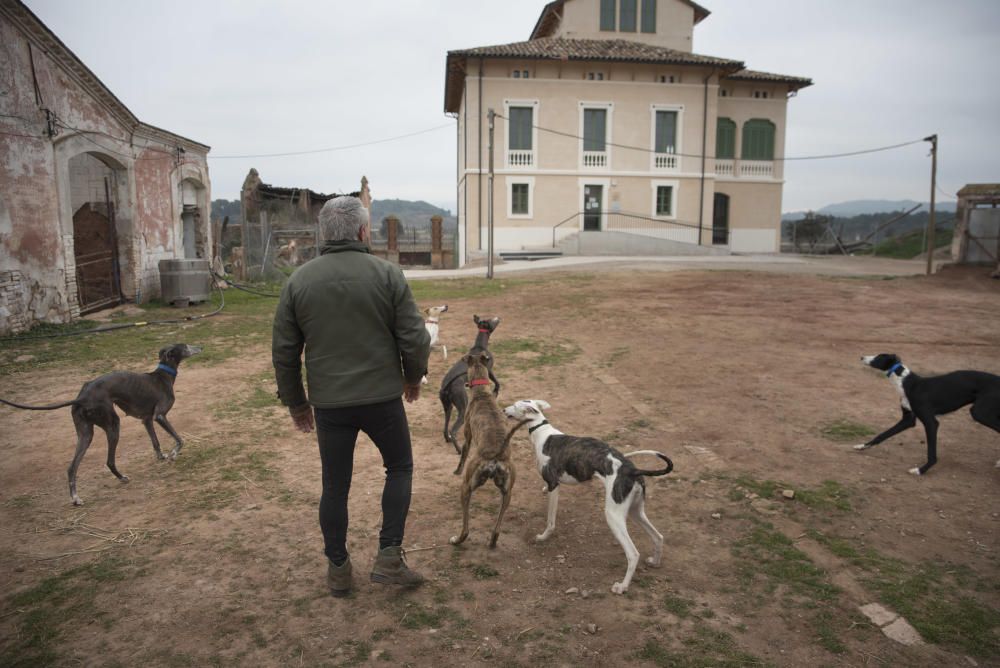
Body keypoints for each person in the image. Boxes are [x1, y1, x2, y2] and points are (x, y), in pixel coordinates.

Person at [272, 196, 430, 597]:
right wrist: (413, 378)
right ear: (363, 231)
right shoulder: (388, 274)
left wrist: (297, 404)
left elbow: (285, 351)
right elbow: (414, 337)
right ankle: (389, 556)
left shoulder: (299, 282)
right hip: (382, 399)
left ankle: (338, 569)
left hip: (330, 405)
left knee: (335, 485)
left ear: (324, 233)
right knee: (399, 468)